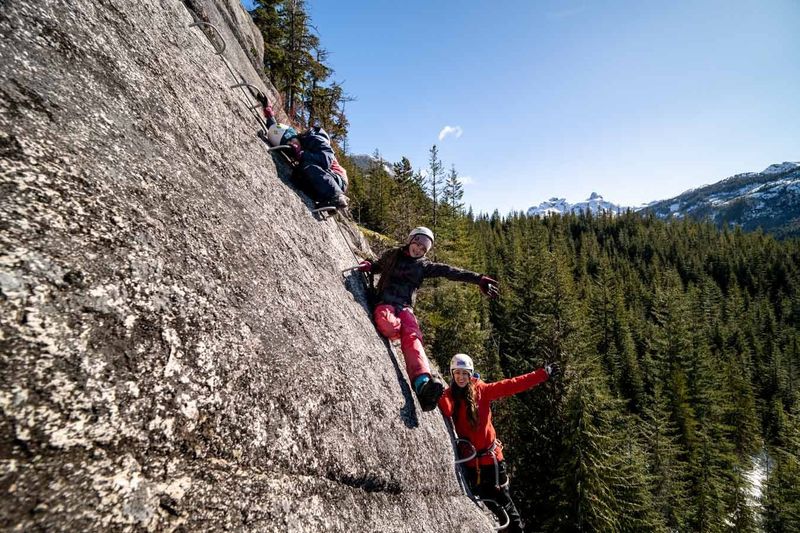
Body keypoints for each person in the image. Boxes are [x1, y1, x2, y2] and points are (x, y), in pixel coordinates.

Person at [357, 227, 500, 411]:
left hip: (405, 308)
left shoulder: (423, 266)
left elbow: (450, 272)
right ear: (410, 240)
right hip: (385, 302)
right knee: (390, 327)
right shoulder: (392, 254)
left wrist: (479, 279)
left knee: (413, 336)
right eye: (417, 243)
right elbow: (378, 265)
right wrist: (368, 265)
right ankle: (404, 337)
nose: (418, 249)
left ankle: (423, 384)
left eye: (423, 248)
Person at [439, 353, 559, 533]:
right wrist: (434, 391)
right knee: (490, 503)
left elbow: (512, 385)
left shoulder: (482, 391)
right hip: (472, 464)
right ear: (452, 374)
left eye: (465, 373)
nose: (461, 377)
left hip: (492, 463)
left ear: (471, 374)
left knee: (506, 504)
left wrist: (542, 374)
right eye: (457, 373)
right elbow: (447, 410)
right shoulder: (450, 394)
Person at [257, 96, 349, 209]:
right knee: (296, 177)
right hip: (323, 177)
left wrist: (301, 154)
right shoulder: (294, 145)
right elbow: (276, 129)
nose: (291, 144)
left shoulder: (314, 139)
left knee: (307, 165)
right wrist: (268, 111)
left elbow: (326, 160)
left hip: (337, 178)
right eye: (288, 145)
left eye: (291, 141)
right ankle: (324, 200)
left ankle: (336, 197)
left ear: (295, 135)